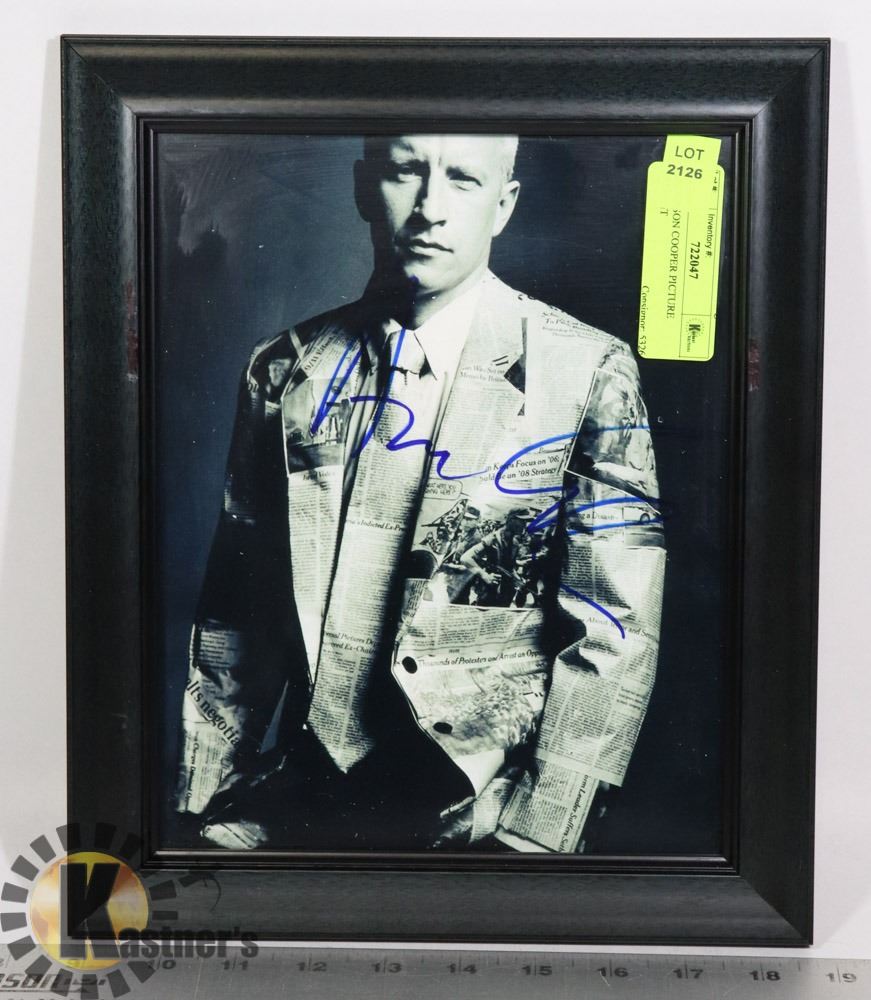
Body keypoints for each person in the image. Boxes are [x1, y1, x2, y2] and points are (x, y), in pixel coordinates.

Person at [175, 134, 666, 853]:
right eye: (406, 171)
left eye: (463, 179)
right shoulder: (283, 368)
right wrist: (206, 796)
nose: (431, 206)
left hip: (478, 802)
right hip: (305, 794)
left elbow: (616, 621)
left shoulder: (586, 368)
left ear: (504, 205)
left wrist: (539, 827)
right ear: (362, 187)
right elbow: (237, 600)